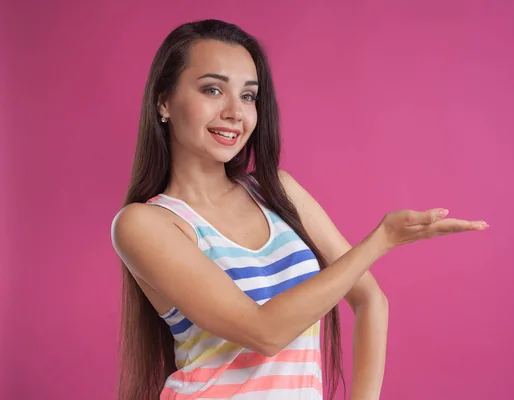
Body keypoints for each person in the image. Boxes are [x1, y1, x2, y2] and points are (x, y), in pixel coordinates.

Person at [110, 19, 489, 400]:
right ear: (164, 101)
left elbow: (371, 299)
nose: (235, 112)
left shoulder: (278, 192)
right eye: (213, 89)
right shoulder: (144, 224)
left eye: (247, 96)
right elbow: (264, 332)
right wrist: (381, 240)